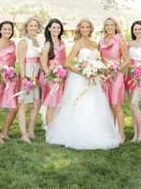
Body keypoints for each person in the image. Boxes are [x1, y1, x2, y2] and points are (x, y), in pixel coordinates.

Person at [46, 19, 121, 150]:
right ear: (79, 29)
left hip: (94, 79)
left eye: (87, 27)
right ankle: (76, 134)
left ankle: (98, 132)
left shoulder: (94, 44)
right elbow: (68, 64)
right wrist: (83, 72)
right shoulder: (77, 44)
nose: (85, 29)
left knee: (95, 104)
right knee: (80, 104)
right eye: (82, 27)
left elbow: (100, 60)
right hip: (80, 79)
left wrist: (98, 70)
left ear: (91, 29)